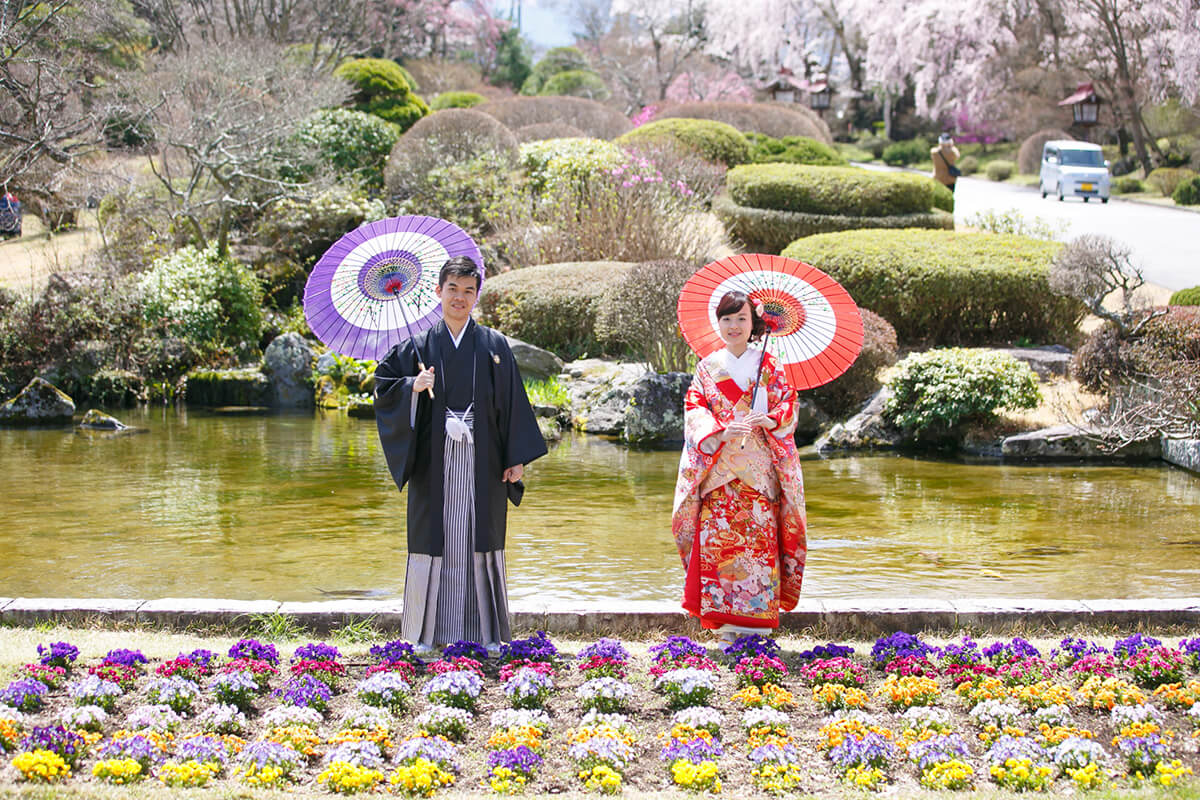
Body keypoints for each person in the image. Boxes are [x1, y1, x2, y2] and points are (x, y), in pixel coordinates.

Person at [373, 256, 547, 652]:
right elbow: (383, 389)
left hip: (482, 458)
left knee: (479, 537)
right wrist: (412, 387)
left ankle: (485, 635)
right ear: (438, 292)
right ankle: (424, 635)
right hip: (433, 461)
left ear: (476, 296)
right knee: (434, 538)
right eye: (452, 289)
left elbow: (511, 404)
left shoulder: (493, 346)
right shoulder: (417, 347)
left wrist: (515, 457)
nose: (460, 297)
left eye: (469, 290)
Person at [671, 291, 807, 641]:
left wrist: (770, 419)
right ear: (718, 323)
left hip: (759, 472)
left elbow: (789, 408)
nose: (734, 326)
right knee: (718, 543)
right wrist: (719, 428)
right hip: (718, 472)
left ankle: (755, 623)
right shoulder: (706, 367)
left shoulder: (770, 366)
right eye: (727, 319)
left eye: (741, 318)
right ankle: (723, 622)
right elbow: (694, 410)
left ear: (754, 324)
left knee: (758, 542)